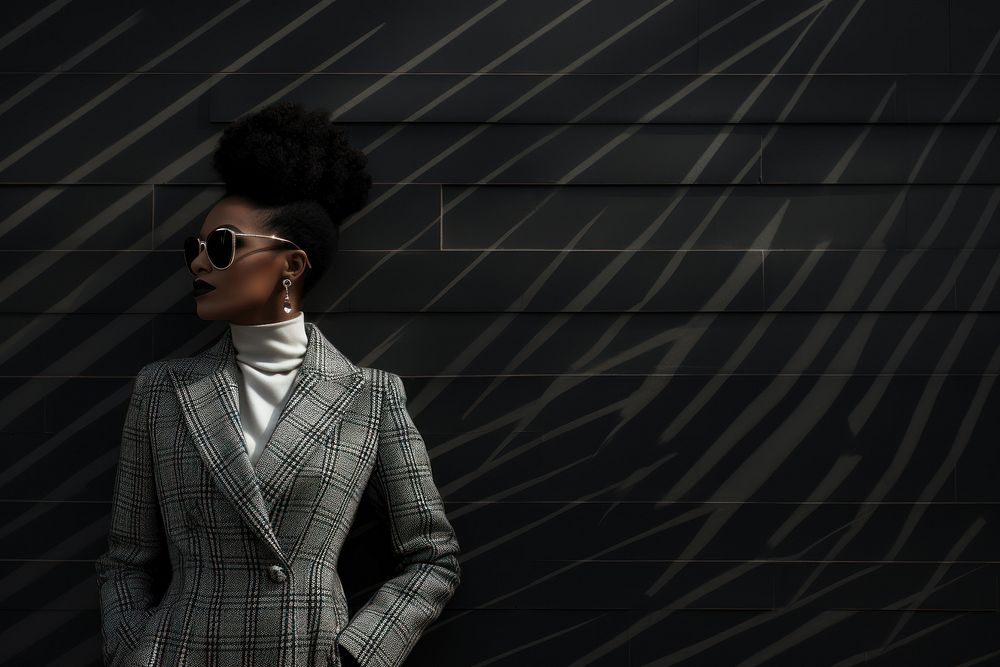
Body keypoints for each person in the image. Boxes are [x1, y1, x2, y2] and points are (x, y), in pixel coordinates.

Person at [95, 101, 461, 667]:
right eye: (193, 249)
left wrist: (358, 655)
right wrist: (134, 653)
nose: (198, 264)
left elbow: (432, 557)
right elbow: (126, 560)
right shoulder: (163, 390)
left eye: (220, 245)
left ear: (290, 264)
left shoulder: (368, 396)